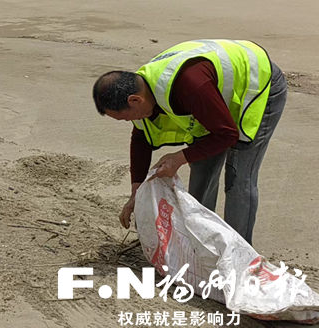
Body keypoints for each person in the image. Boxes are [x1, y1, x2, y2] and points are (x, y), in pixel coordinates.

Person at [92, 39, 287, 244]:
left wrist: (178, 158)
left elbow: (227, 134)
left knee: (239, 176)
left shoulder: (189, 85)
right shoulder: (143, 88)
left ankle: (240, 251)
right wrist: (136, 193)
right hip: (212, 98)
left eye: (126, 118)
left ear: (134, 100)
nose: (130, 122)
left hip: (258, 86)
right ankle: (201, 242)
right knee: (202, 168)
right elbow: (141, 138)